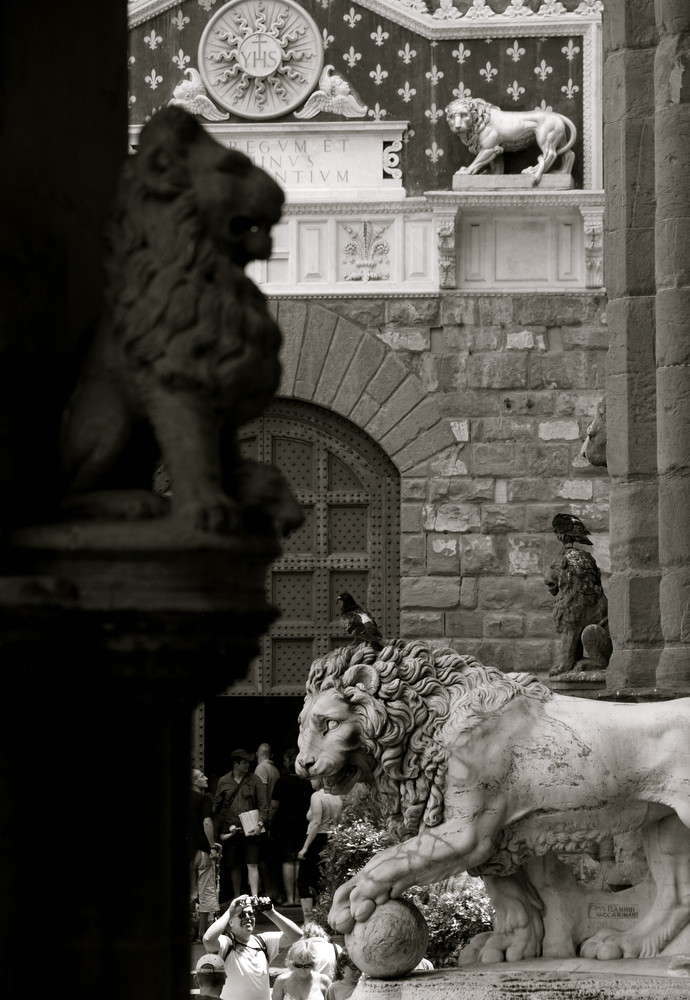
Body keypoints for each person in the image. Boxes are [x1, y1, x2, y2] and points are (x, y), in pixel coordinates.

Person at [203, 893, 302, 1000]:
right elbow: (208, 940)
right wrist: (230, 911)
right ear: (231, 922)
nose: (247, 917)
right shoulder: (226, 943)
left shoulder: (263, 941)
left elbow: (296, 935)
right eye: (242, 915)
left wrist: (271, 912)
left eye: (251, 914)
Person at [213, 749, 268, 900]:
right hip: (232, 830)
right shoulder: (224, 781)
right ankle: (237, 897)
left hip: (251, 829)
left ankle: (255, 897)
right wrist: (224, 828)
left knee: (252, 862)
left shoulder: (255, 780)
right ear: (235, 764)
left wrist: (260, 824)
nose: (248, 765)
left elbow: (264, 804)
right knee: (234, 865)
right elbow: (218, 807)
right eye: (244, 762)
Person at [270, 748, 313, 906]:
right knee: (299, 861)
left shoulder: (282, 781)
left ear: (289, 762)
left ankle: (290, 899)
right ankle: (300, 898)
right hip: (304, 824)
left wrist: (268, 822)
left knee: (288, 861)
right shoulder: (307, 782)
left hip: (285, 825)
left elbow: (274, 806)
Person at [297, 788, 343, 922]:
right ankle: (323, 917)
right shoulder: (338, 796)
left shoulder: (317, 796)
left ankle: (308, 920)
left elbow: (316, 823)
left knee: (304, 880)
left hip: (317, 839)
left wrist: (305, 847)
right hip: (332, 838)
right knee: (324, 879)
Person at [191, 766, 221, 941]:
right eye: (202, 776)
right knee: (206, 891)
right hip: (202, 851)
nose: (206, 778)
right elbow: (207, 823)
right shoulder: (203, 799)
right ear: (195, 781)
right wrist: (212, 847)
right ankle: (202, 932)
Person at [254, 742, 282, 900]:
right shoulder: (275, 770)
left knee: (262, 858)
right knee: (271, 859)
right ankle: (274, 891)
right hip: (273, 816)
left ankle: (270, 892)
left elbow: (261, 794)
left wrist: (261, 819)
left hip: (264, 818)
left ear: (258, 754)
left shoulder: (261, 769)